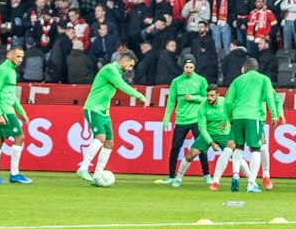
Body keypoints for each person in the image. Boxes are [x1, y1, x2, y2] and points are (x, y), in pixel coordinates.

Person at [77, 48, 149, 185]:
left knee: (109, 143)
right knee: (101, 138)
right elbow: (122, 86)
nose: (130, 68)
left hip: (104, 112)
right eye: (131, 65)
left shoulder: (116, 72)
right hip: (93, 108)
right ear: (125, 60)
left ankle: (98, 176)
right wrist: (140, 96)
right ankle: (83, 167)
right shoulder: (110, 69)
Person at [216, 57, 276, 194]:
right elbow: (269, 97)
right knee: (256, 148)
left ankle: (236, 175)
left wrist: (228, 118)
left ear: (245, 68)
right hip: (253, 116)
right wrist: (274, 115)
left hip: (237, 116)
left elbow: (228, 101)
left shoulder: (237, 80)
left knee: (238, 147)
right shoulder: (263, 79)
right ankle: (251, 184)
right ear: (256, 68)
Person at [163, 55, 210, 186]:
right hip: (181, 120)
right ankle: (171, 176)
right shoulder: (176, 81)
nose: (189, 70)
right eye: (186, 67)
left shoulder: (201, 80)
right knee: (175, 148)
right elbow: (171, 101)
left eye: (191, 67)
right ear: (182, 67)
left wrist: (194, 98)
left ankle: (206, 175)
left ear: (194, 67)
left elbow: (207, 99)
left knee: (201, 148)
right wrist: (166, 119)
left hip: (196, 119)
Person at [0, 45, 31, 184]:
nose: (20, 59)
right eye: (18, 56)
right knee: (20, 137)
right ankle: (14, 173)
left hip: (4, 109)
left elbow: (12, 96)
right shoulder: (3, 70)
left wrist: (22, 112)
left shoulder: (11, 70)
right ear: (9, 55)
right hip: (4, 110)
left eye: (22, 57)